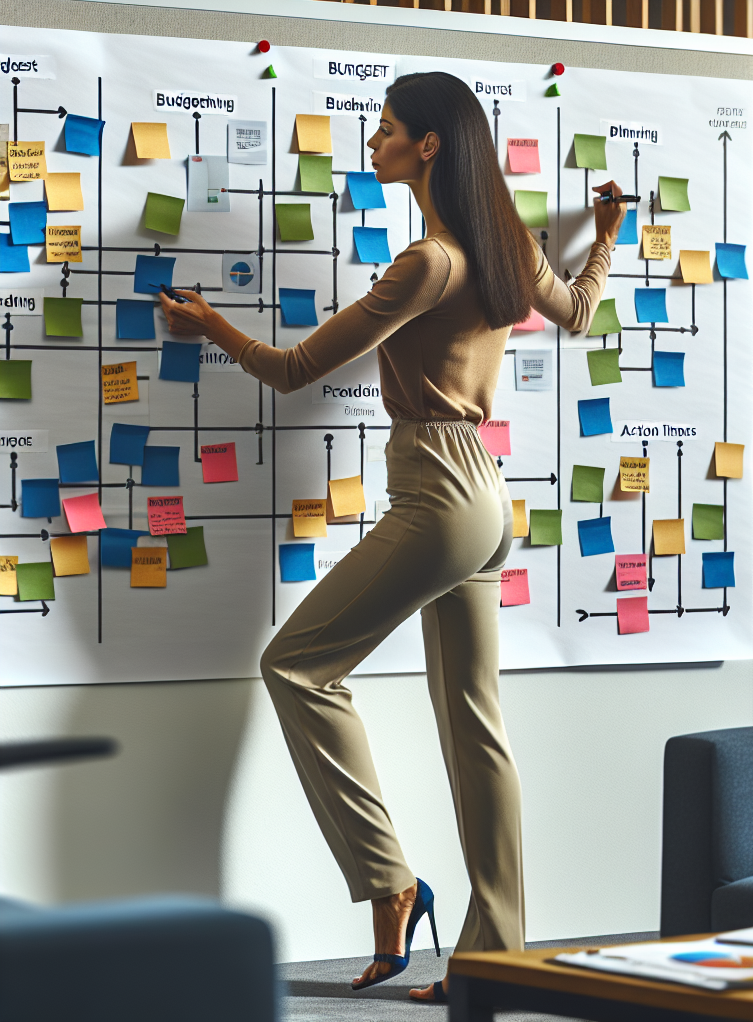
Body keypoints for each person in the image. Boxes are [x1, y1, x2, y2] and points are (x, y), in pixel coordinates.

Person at [159, 71, 624, 1003]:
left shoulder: (432, 261)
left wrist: (210, 322)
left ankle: (389, 883)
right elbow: (577, 312)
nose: (371, 145)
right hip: (489, 497)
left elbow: (293, 372)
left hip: (440, 496)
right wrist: (604, 243)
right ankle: (495, 952)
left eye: (385, 130)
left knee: (294, 667)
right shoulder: (507, 245)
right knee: (477, 732)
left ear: (430, 146)